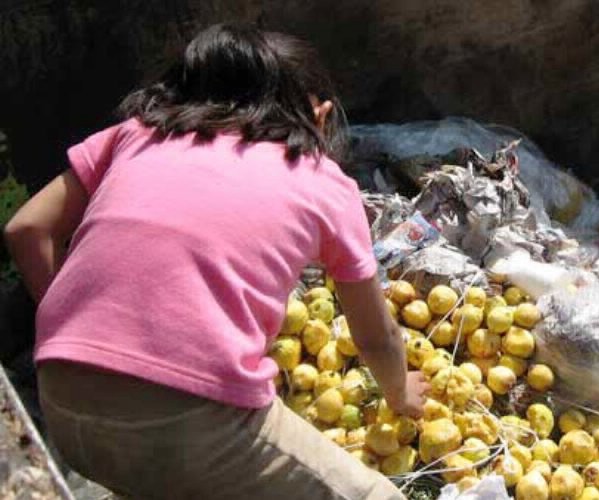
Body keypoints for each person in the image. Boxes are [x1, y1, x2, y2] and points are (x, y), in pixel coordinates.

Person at [3, 23, 427, 499]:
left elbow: (26, 229)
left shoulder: (135, 134)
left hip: (59, 401)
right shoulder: (323, 181)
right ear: (319, 115)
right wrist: (399, 393)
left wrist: (75, 326)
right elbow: (374, 337)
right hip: (186, 423)